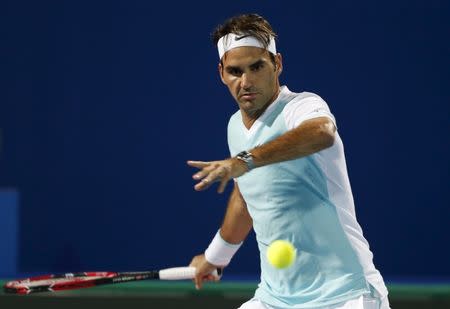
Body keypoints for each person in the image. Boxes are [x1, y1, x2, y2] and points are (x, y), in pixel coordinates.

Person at [187, 13, 390, 309]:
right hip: (275, 298)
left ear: (277, 64)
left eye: (257, 67)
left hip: (346, 295)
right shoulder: (234, 126)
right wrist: (215, 256)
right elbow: (246, 197)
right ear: (221, 73)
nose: (246, 81)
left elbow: (322, 132)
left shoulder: (302, 106)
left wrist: (244, 160)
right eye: (235, 71)